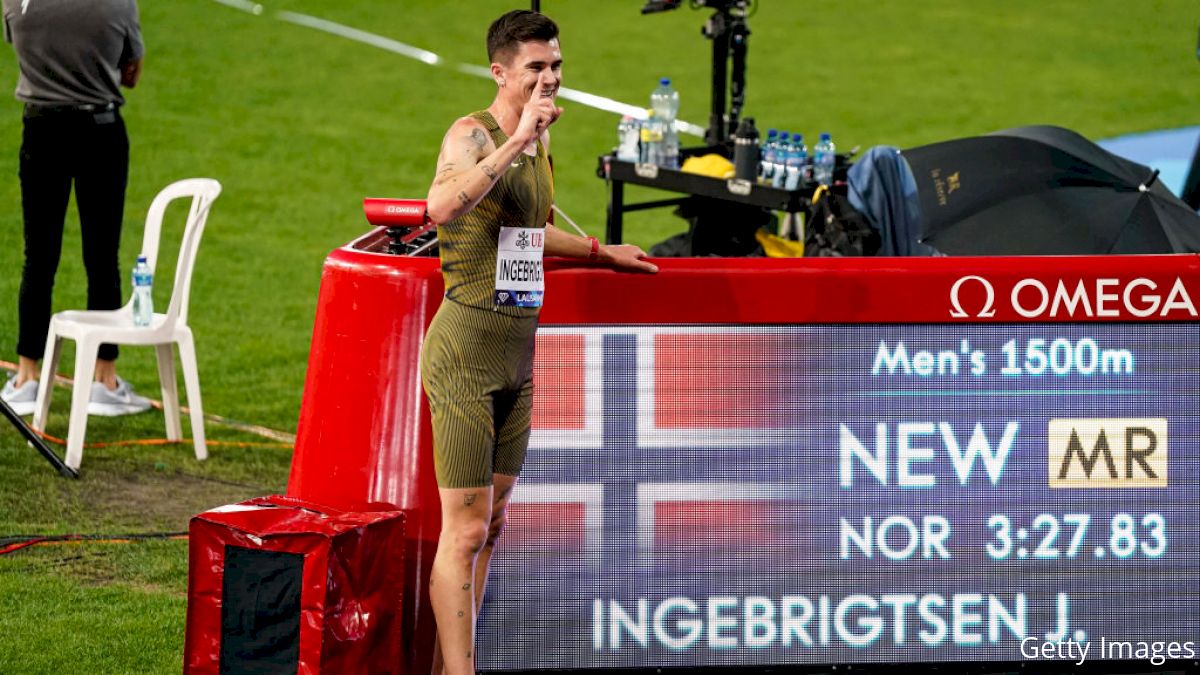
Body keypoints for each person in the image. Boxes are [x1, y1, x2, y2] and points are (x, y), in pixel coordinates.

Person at [420, 10, 657, 674]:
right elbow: (441, 208)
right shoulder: (473, 134)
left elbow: (521, 239)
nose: (551, 78)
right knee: (463, 530)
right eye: (536, 68)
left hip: (516, 357)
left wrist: (600, 253)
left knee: (490, 527)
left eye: (556, 66)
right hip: (466, 352)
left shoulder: (538, 144)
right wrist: (516, 137)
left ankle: (450, 666)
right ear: (501, 72)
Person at [1, 0, 151, 416]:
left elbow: (21, 45)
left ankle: (26, 376)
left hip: (41, 131)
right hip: (99, 134)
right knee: (102, 259)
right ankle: (103, 380)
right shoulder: (117, 3)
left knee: (39, 257)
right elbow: (132, 74)